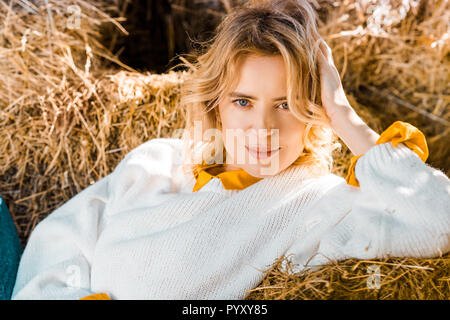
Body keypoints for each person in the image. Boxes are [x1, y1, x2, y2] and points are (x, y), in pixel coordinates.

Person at [11, 0, 450, 300]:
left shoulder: (317, 200)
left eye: (286, 104)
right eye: (243, 101)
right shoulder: (158, 161)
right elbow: (58, 243)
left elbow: (437, 220)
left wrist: (345, 116)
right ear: (216, 102)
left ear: (312, 110)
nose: (262, 128)